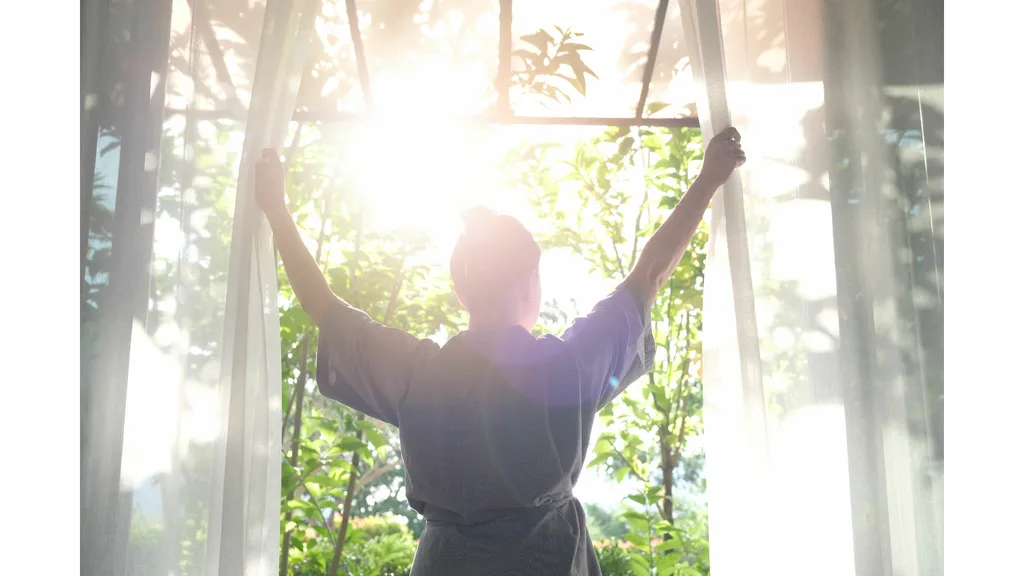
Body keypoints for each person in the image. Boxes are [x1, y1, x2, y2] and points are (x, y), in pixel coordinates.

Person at [256, 127, 746, 575]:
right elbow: (650, 274)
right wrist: (707, 179)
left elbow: (325, 307)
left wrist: (277, 209)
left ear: (460, 290)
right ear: (531, 280)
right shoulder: (567, 368)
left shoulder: (417, 374)